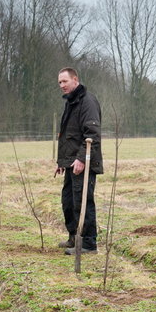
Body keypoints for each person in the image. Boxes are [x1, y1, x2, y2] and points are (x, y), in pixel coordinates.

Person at [55, 67, 103, 255]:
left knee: (83, 202)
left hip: (84, 162)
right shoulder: (71, 102)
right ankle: (74, 238)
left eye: (64, 81)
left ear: (75, 80)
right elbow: (68, 135)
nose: (62, 85)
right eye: (59, 82)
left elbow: (92, 134)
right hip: (71, 163)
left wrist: (82, 159)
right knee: (68, 201)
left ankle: (89, 244)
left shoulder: (87, 102)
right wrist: (62, 162)